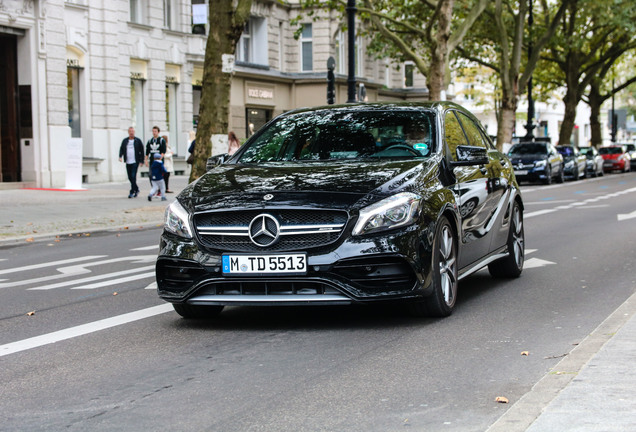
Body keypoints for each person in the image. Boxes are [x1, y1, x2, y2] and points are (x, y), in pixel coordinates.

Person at [118, 127, 144, 198]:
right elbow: (122, 149)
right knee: (130, 177)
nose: (131, 132)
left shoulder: (137, 140)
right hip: (128, 161)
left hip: (135, 161)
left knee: (133, 176)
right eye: (130, 131)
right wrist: (120, 156)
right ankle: (136, 189)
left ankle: (132, 191)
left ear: (134, 132)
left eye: (132, 131)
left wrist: (142, 161)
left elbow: (142, 151)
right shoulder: (125, 141)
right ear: (128, 132)